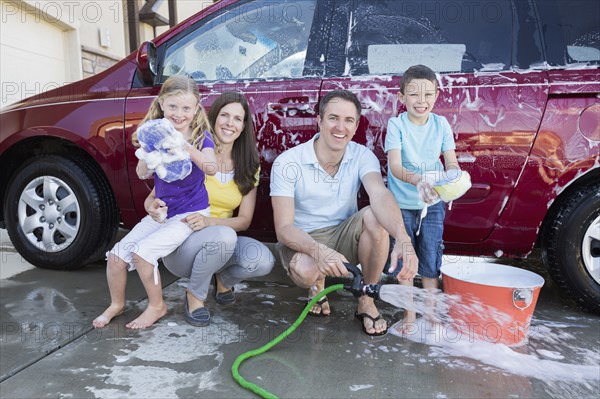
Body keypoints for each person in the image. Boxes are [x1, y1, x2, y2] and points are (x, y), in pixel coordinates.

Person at [270, 89, 419, 336]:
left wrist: (403, 238)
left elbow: (380, 195)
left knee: (375, 217)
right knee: (306, 272)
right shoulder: (288, 162)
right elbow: (284, 228)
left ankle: (365, 299)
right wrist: (318, 251)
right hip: (303, 238)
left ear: (356, 124)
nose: (341, 127)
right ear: (319, 120)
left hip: (343, 235)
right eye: (333, 118)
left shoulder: (362, 155)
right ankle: (316, 287)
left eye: (348, 120)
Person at [93, 75, 217, 330]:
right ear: (161, 104)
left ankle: (157, 306)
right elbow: (141, 173)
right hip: (162, 211)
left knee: (143, 254)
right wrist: (151, 154)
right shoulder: (154, 133)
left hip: (190, 213)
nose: (179, 113)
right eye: (172, 106)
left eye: (186, 108)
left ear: (196, 109)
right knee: (117, 256)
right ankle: (117, 304)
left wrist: (182, 145)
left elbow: (211, 167)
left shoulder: (200, 137)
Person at [159, 92, 275, 326]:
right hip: (182, 245)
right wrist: (152, 207)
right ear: (213, 118)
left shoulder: (249, 165)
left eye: (237, 119)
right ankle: (195, 295)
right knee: (224, 236)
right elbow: (154, 197)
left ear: (243, 127)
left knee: (263, 260)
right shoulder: (194, 151)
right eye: (224, 115)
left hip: (222, 240)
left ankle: (222, 279)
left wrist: (211, 223)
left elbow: (244, 221)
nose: (229, 123)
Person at [384, 64, 459, 331]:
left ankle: (430, 314)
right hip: (402, 203)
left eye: (428, 95)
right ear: (402, 97)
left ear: (437, 96)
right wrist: (417, 179)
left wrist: (452, 178)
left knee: (430, 257)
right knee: (406, 260)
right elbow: (394, 166)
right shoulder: (397, 125)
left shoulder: (441, 124)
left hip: (432, 202)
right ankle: (409, 315)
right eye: (414, 95)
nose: (421, 101)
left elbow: (451, 162)